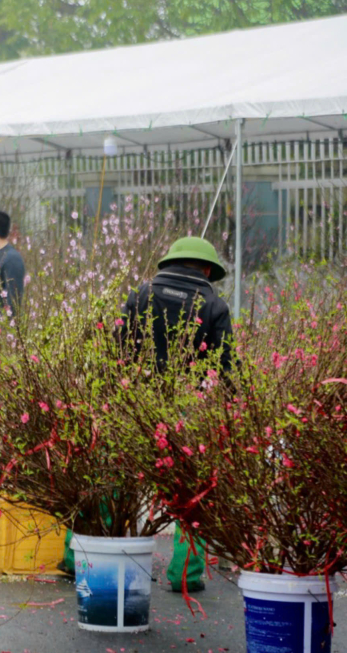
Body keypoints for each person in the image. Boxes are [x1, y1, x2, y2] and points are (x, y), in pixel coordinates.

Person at [122, 235, 234, 593]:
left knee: (115, 479)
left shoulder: (141, 294)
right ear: (205, 270)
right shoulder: (215, 306)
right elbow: (227, 367)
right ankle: (185, 574)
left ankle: (84, 559)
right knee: (191, 489)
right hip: (189, 407)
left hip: (138, 400)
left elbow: (118, 349)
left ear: (170, 264)